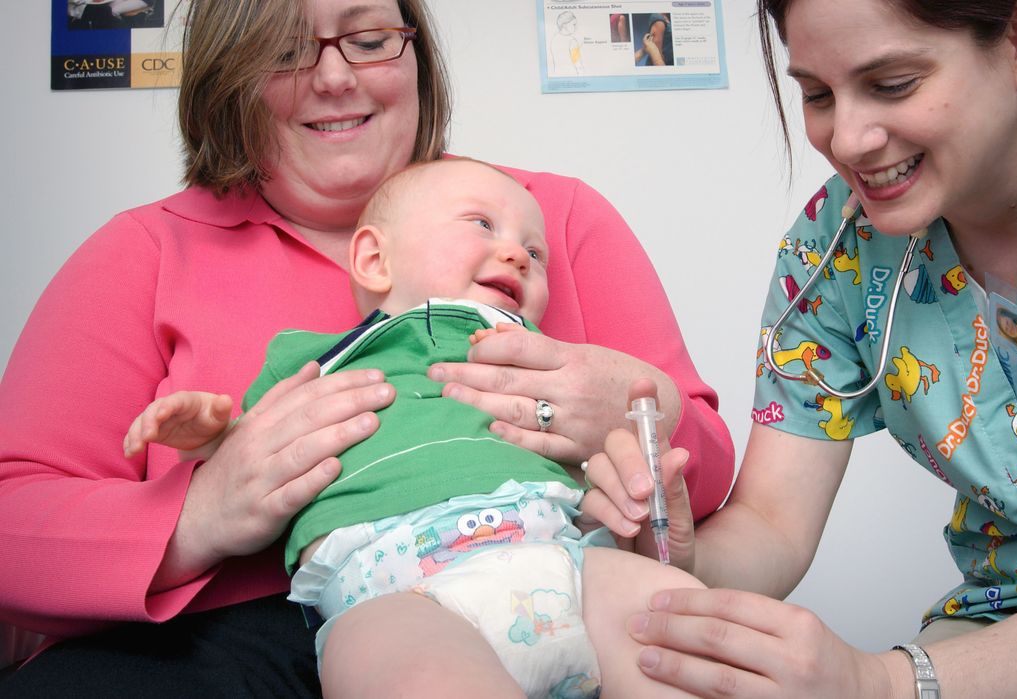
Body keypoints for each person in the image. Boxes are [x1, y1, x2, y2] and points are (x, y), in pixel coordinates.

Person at [0, 0, 733, 694]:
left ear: (415, 53)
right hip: (226, 641)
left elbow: (700, 473)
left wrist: (637, 409)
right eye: (286, 50)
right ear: (231, 72)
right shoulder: (143, 251)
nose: (332, 76)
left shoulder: (546, 220)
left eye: (371, 39)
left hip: (556, 576)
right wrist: (199, 516)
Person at [587, 0, 1017, 696]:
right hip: (1003, 626)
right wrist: (681, 556)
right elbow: (771, 522)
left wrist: (887, 684)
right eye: (815, 93)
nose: (846, 139)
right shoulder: (835, 250)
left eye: (892, 84)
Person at [122, 158, 704, 698]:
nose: (521, 255)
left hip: (563, 558)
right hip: (392, 588)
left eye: (536, 251)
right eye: (483, 224)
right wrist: (210, 436)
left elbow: (601, 473)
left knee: (680, 625)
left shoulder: (547, 365)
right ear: (376, 260)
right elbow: (260, 460)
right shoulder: (316, 360)